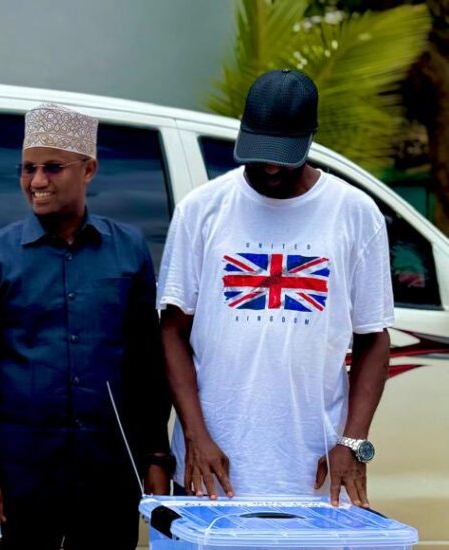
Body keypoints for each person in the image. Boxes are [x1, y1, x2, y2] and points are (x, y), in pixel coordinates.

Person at [0, 103, 171, 550]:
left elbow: (146, 361)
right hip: (22, 475)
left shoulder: (127, 249)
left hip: (108, 474)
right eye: (28, 169)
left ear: (88, 169)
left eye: (53, 167)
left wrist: (155, 457)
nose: (37, 181)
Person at [157, 69, 393, 506]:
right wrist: (195, 435)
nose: (269, 166)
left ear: (309, 138)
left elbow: (374, 338)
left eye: (282, 155)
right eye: (259, 151)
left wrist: (352, 441)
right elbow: (172, 330)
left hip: (316, 473)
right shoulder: (202, 210)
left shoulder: (355, 213)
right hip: (210, 468)